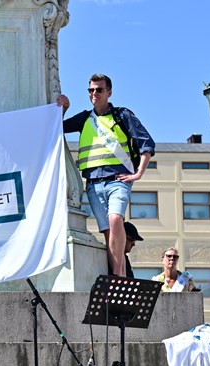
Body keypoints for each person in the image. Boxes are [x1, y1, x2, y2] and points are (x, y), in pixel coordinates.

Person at [57, 74, 155, 276]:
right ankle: (118, 274)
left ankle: (119, 276)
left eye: (99, 90)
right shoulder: (85, 118)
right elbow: (57, 126)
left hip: (117, 180)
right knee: (109, 232)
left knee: (115, 219)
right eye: (91, 90)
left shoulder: (122, 115)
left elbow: (146, 144)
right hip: (93, 184)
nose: (94, 93)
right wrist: (64, 108)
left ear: (109, 92)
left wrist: (139, 173)